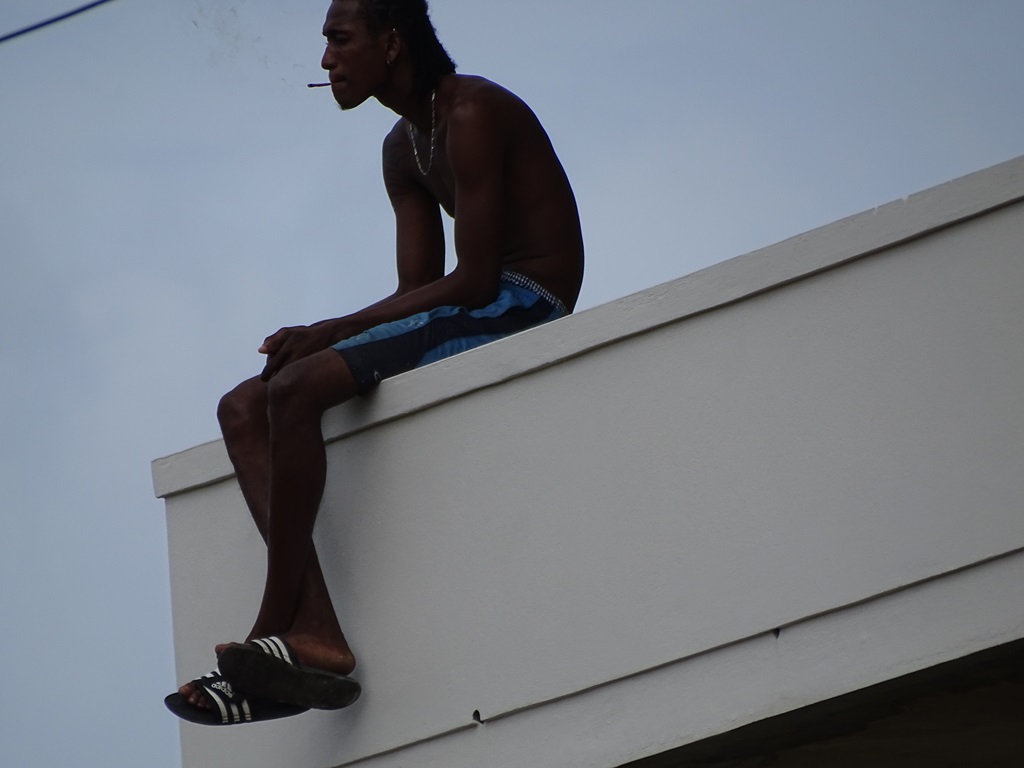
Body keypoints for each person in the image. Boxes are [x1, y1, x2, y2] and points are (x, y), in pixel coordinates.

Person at [165, 0, 583, 725]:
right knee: (242, 406)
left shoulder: (473, 113)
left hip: (524, 299)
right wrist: (331, 336)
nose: (326, 61)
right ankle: (315, 635)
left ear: (391, 44)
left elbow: (478, 280)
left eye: (339, 40)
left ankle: (272, 626)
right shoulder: (401, 148)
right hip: (467, 303)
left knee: (297, 387)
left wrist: (332, 330)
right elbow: (419, 294)